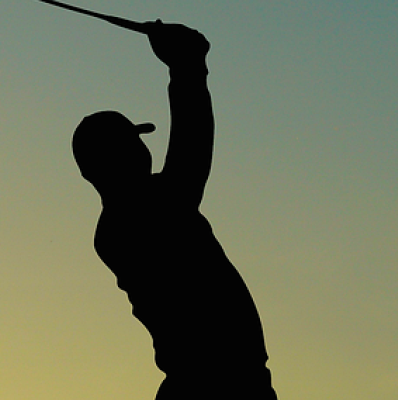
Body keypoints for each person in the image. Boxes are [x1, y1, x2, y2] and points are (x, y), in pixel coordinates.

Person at [72, 21, 278, 399]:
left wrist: (187, 66)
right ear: (121, 155)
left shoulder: (126, 219)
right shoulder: (132, 218)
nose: (142, 149)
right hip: (213, 385)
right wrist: (186, 67)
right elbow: (190, 160)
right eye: (133, 141)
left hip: (221, 381)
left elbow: (187, 167)